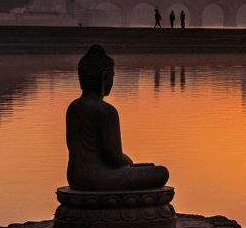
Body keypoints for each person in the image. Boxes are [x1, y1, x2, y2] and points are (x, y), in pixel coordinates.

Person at [65, 44, 170, 191]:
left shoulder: (73, 107)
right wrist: (129, 163)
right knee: (161, 172)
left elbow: (71, 145)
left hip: (75, 178)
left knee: (148, 167)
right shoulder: (106, 110)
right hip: (97, 179)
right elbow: (114, 158)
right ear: (104, 77)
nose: (112, 81)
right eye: (112, 76)